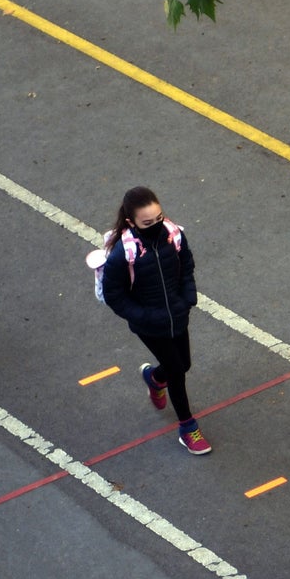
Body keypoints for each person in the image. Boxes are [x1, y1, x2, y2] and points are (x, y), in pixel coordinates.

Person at [99, 186, 210, 455]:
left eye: (159, 218)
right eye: (147, 223)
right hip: (149, 324)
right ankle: (187, 427)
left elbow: (187, 267)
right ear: (131, 222)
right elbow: (115, 295)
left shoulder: (174, 235)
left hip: (176, 313)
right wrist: (143, 316)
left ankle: (153, 377)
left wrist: (187, 298)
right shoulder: (121, 254)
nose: (155, 225)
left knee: (184, 363)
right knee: (176, 370)